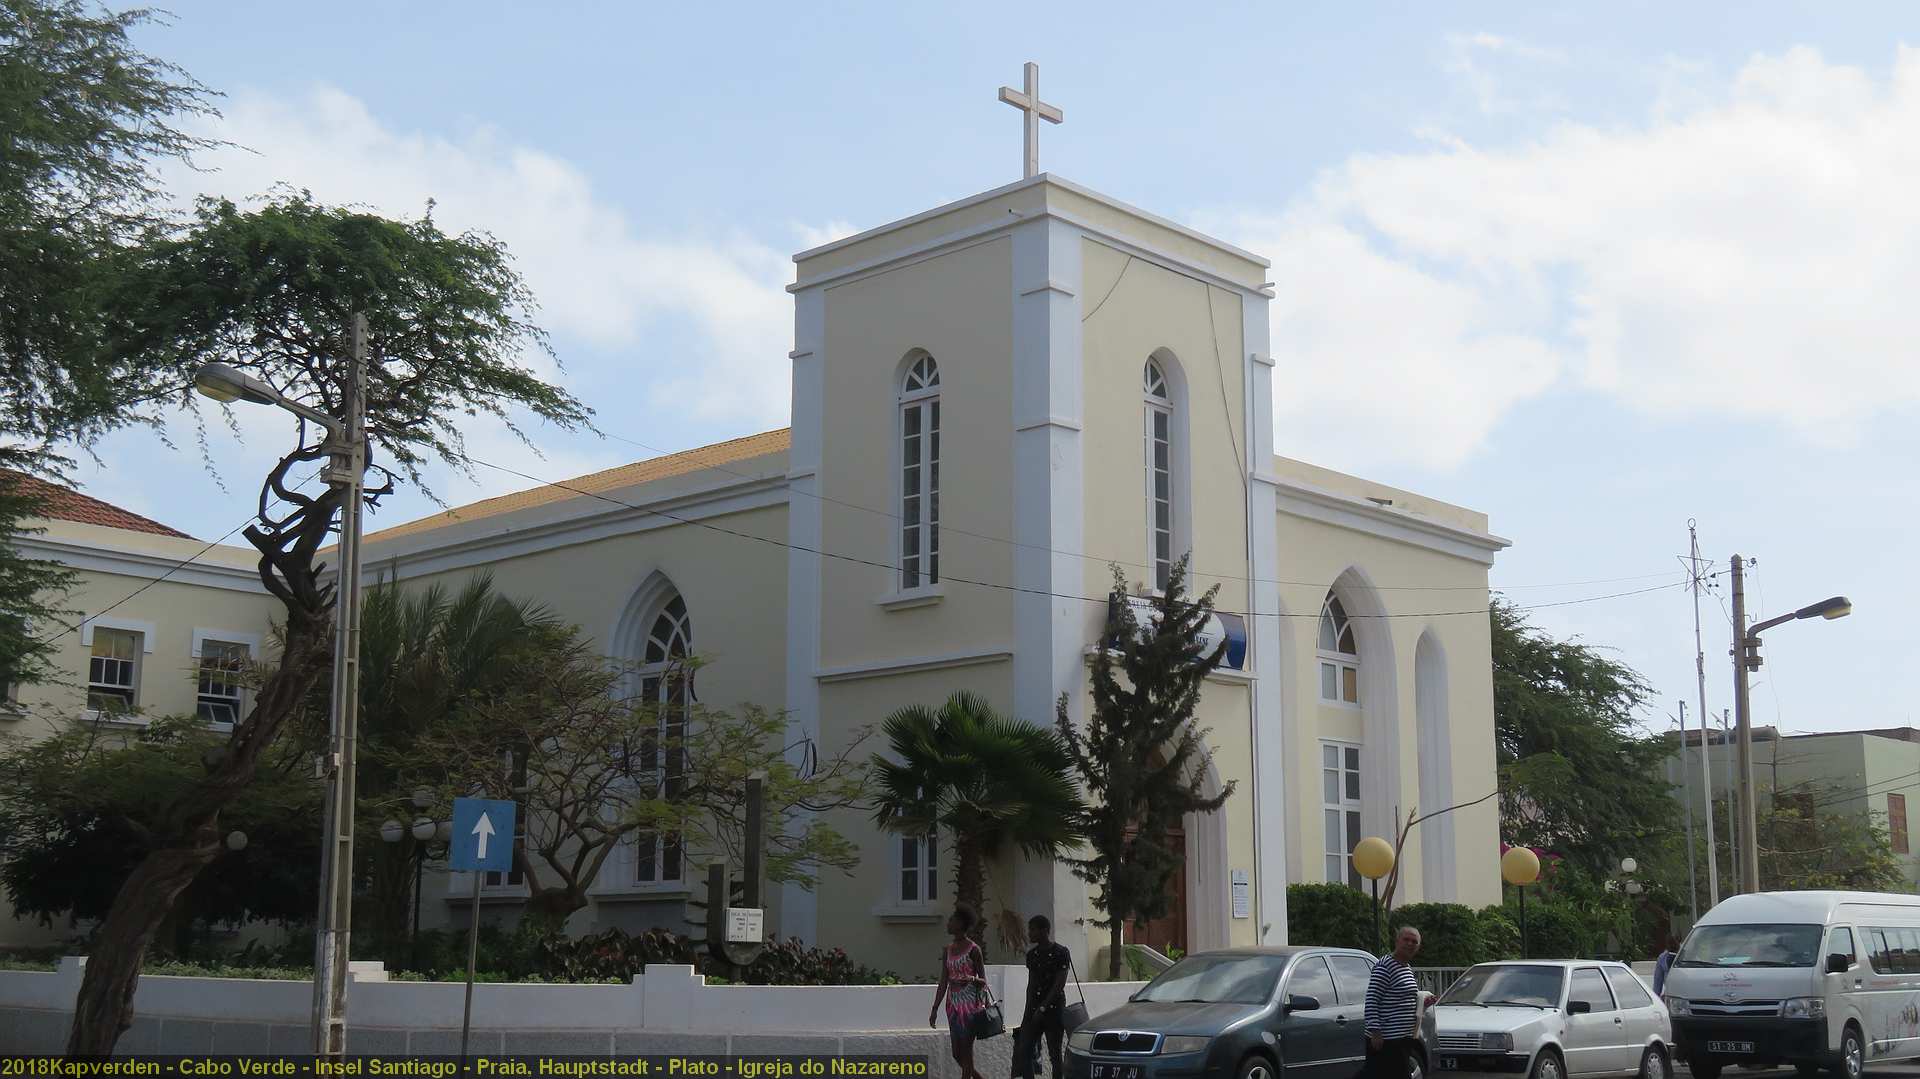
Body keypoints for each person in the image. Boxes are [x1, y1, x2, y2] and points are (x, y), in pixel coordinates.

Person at [930, 907, 990, 1079]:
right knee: (957, 1053)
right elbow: (943, 981)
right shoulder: (947, 950)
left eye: (952, 920)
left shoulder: (974, 949)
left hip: (970, 1006)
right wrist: (935, 1008)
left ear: (961, 924)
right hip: (953, 1005)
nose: (948, 923)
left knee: (966, 1051)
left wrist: (971, 979)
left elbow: (984, 982)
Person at [1014, 916, 1072, 1079]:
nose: (1029, 933)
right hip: (1034, 1011)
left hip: (1054, 1010)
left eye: (1033, 929)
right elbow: (1031, 985)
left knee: (1055, 1054)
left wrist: (1043, 1007)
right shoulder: (1032, 955)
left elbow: (1059, 984)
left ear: (1044, 930)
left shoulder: (1061, 952)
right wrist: (1027, 1014)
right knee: (1024, 1051)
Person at [1364, 927, 1423, 1079]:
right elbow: (1372, 1000)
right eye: (1406, 940)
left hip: (1402, 1038)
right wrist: (1376, 1032)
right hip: (1387, 1039)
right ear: (1397, 942)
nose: (1410, 944)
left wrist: (1423, 1003)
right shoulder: (1385, 966)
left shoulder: (1406, 968)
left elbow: (1404, 998)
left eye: (1414, 942)